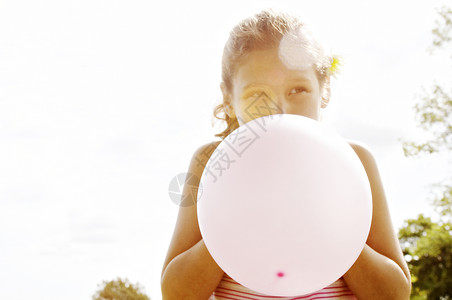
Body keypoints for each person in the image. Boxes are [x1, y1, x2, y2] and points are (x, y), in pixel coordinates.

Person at [161, 9, 411, 299]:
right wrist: (232, 223)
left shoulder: (355, 163)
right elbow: (175, 292)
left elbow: (394, 294)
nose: (280, 110)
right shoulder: (212, 164)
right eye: (257, 96)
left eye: (297, 90)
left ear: (324, 89)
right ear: (229, 100)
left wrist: (329, 224)